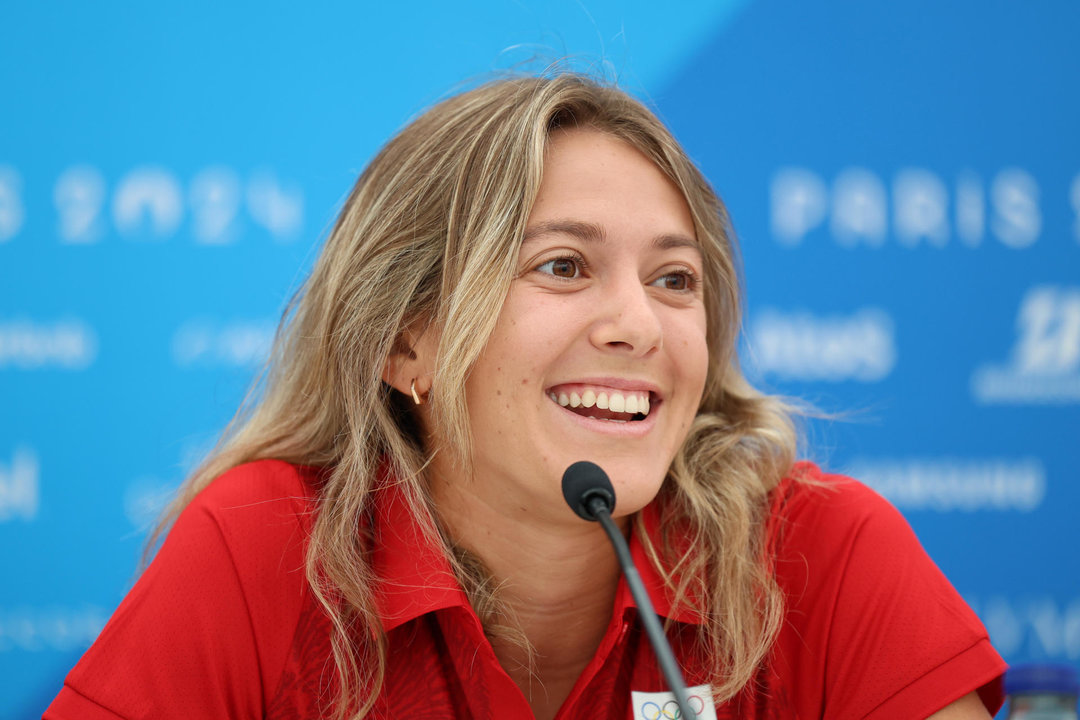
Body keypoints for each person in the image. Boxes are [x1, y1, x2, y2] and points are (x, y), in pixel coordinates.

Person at [44, 72, 1005, 720]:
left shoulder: (817, 553)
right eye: (562, 265)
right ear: (404, 338)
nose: (638, 323)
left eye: (676, 281)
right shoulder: (264, 548)